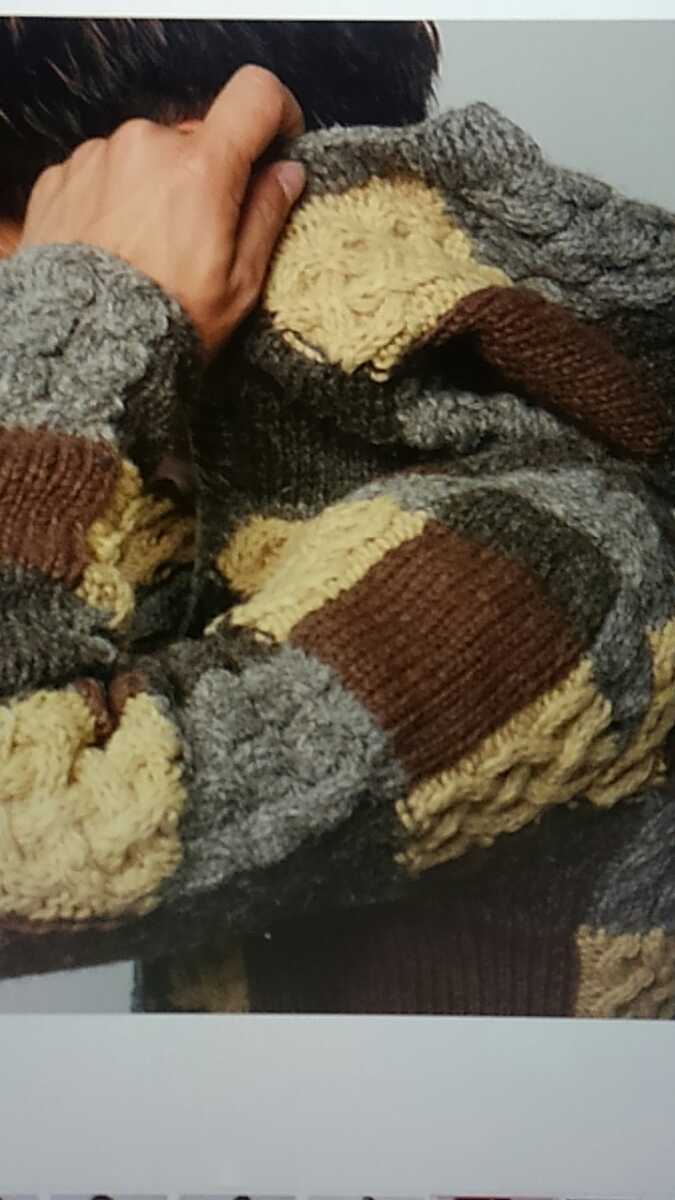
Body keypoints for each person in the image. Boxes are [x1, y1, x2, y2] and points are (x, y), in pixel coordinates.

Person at [0, 18, 674, 1018]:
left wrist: (85, 304)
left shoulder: (550, 540)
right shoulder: (214, 503)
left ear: (187, 175)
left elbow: (25, 846)